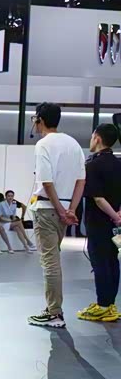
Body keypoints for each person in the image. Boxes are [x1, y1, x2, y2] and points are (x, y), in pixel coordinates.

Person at [27, 102, 86, 328]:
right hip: (63, 211)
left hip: (46, 210)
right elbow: (81, 181)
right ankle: (53, 310)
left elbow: (46, 182)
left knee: (50, 262)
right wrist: (70, 209)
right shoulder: (74, 144)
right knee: (53, 259)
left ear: (39, 119)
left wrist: (61, 210)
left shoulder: (43, 144)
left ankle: (54, 313)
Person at [76, 123, 121, 322]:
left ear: (98, 138)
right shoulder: (118, 164)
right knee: (112, 261)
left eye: (92, 136)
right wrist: (118, 216)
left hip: (99, 222)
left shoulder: (92, 165)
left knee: (100, 262)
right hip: (115, 223)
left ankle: (103, 305)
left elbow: (98, 198)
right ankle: (110, 304)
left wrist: (114, 216)